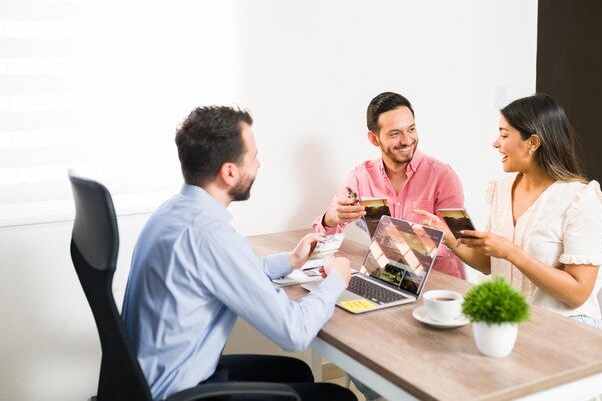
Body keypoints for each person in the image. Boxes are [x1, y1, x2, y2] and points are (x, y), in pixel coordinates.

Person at [121, 106, 357, 401]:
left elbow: (219, 272)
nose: (259, 165)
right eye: (253, 156)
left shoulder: (172, 213)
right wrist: (336, 279)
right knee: (337, 398)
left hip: (148, 380)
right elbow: (295, 332)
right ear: (229, 172)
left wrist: (290, 260)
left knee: (296, 373)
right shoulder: (211, 236)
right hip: (180, 392)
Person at [416, 93, 602, 329]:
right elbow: (489, 263)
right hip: (512, 323)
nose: (495, 143)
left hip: (568, 326)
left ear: (533, 143)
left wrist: (511, 252)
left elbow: (578, 293)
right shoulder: (501, 190)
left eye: (504, 135)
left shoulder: (581, 199)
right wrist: (448, 237)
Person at [312, 91, 465, 278]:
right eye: (395, 133)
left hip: (437, 285)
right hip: (385, 277)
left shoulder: (443, 175)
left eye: (411, 129)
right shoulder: (360, 177)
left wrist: (404, 247)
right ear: (374, 139)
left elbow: (459, 242)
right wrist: (330, 218)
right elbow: (323, 240)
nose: (407, 140)